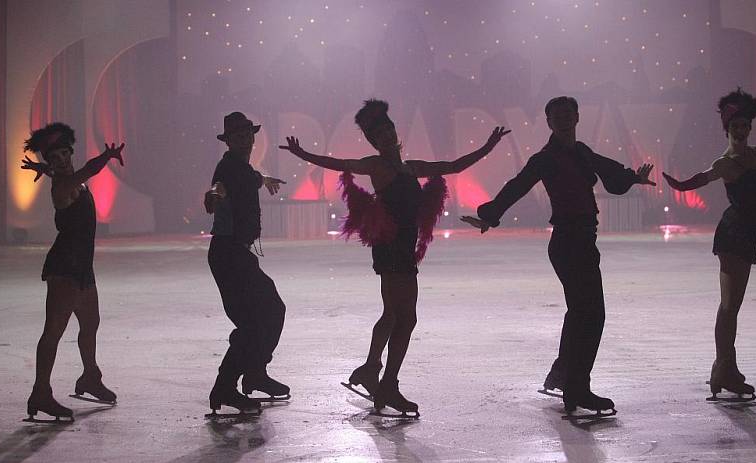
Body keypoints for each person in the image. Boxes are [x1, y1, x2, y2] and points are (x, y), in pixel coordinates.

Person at [280, 99, 510, 416]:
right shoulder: (376, 166)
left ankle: (371, 369)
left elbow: (454, 166)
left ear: (394, 132)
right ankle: (388, 384)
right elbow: (340, 163)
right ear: (374, 142)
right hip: (390, 246)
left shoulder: (411, 167)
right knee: (406, 318)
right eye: (379, 135)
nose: (386, 137)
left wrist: (488, 145)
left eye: (388, 130)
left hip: (403, 245)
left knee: (392, 314)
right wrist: (302, 154)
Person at [462, 96, 655, 416]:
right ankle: (577, 389)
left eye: (569, 113)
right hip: (568, 242)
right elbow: (517, 186)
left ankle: (564, 375)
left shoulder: (582, 152)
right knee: (591, 315)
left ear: (577, 117)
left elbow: (610, 172)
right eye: (557, 115)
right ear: (549, 122)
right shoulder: (545, 158)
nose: (564, 119)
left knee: (581, 313)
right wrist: (490, 215)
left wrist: (632, 177)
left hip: (581, 241)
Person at [663, 88, 756, 399]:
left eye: (746, 125)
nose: (741, 130)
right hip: (733, 233)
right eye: (736, 126)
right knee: (730, 306)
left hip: (748, 234)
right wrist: (675, 183)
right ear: (728, 128)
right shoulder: (724, 162)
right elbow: (694, 181)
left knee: (733, 306)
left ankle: (725, 369)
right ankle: (724, 369)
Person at [20, 122, 124, 421]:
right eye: (55, 158)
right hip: (65, 268)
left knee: (91, 323)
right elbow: (87, 170)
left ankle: (90, 376)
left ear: (69, 152)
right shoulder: (65, 185)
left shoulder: (67, 179)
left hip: (81, 269)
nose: (62, 160)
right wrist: (107, 157)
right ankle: (41, 392)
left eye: (64, 154)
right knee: (53, 332)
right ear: (52, 160)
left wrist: (46, 167)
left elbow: (74, 173)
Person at [204, 112, 288, 415]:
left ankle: (254, 373)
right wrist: (213, 197)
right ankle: (226, 386)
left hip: (237, 254)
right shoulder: (227, 168)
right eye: (237, 135)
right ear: (228, 140)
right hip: (228, 255)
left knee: (272, 310)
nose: (244, 138)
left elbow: (251, 178)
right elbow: (219, 188)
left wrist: (264, 180)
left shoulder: (244, 168)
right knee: (252, 323)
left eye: (247, 134)